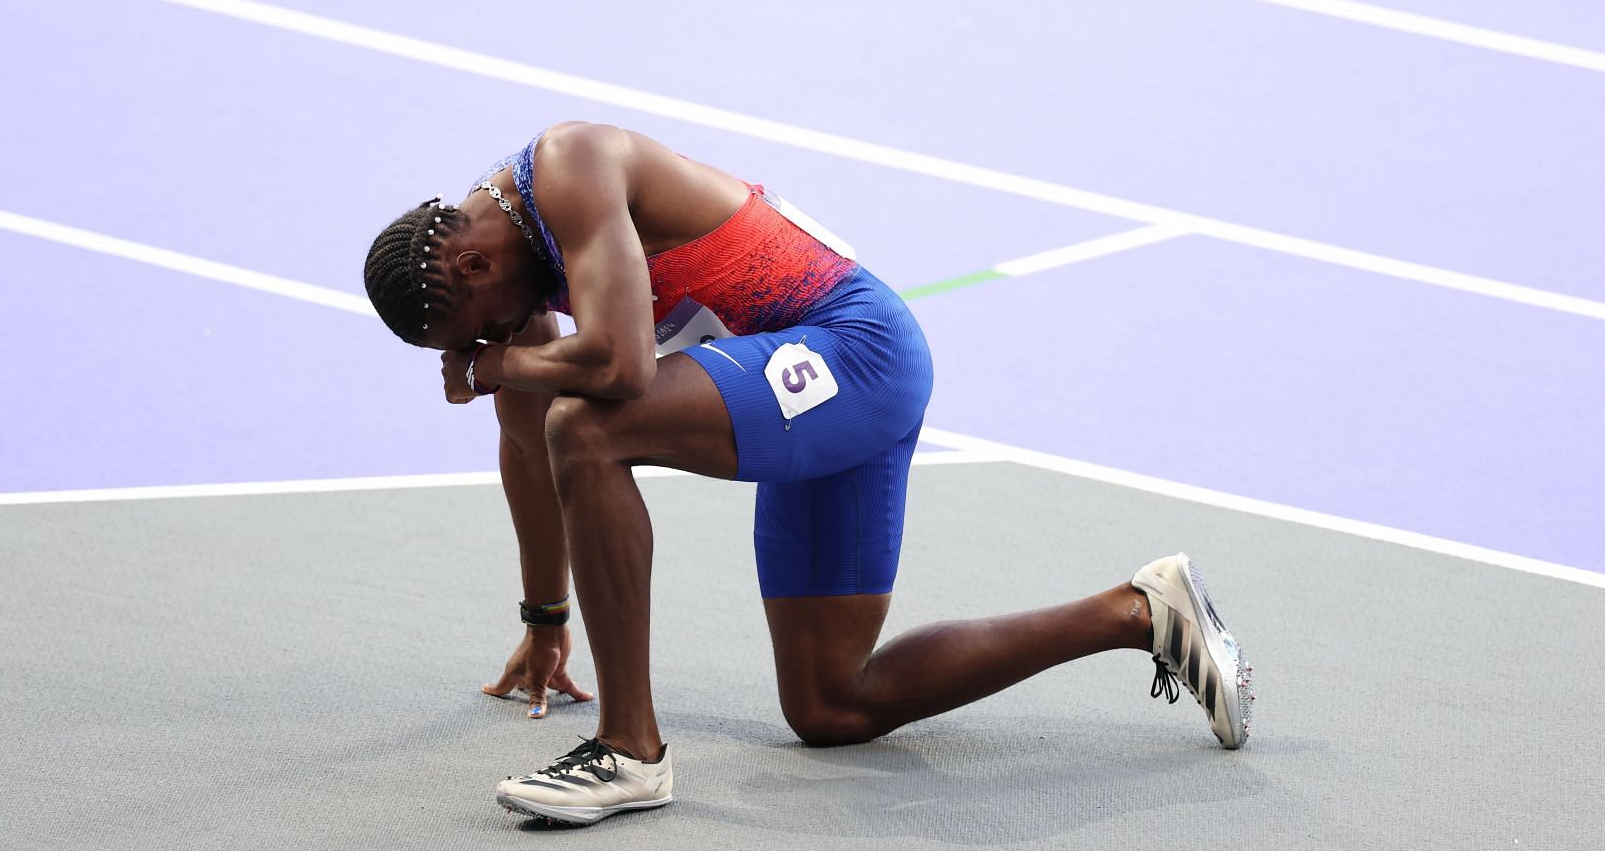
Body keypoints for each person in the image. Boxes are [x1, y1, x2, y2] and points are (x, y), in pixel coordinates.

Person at [362, 122, 1251, 825]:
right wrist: (545, 620)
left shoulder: (570, 164)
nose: (486, 346)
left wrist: (492, 367)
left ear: (475, 265)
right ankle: (1142, 611)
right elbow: (524, 443)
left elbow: (622, 371)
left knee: (588, 425)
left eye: (475, 330)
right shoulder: (504, 264)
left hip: (853, 352)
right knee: (832, 705)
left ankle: (630, 750)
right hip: (796, 387)